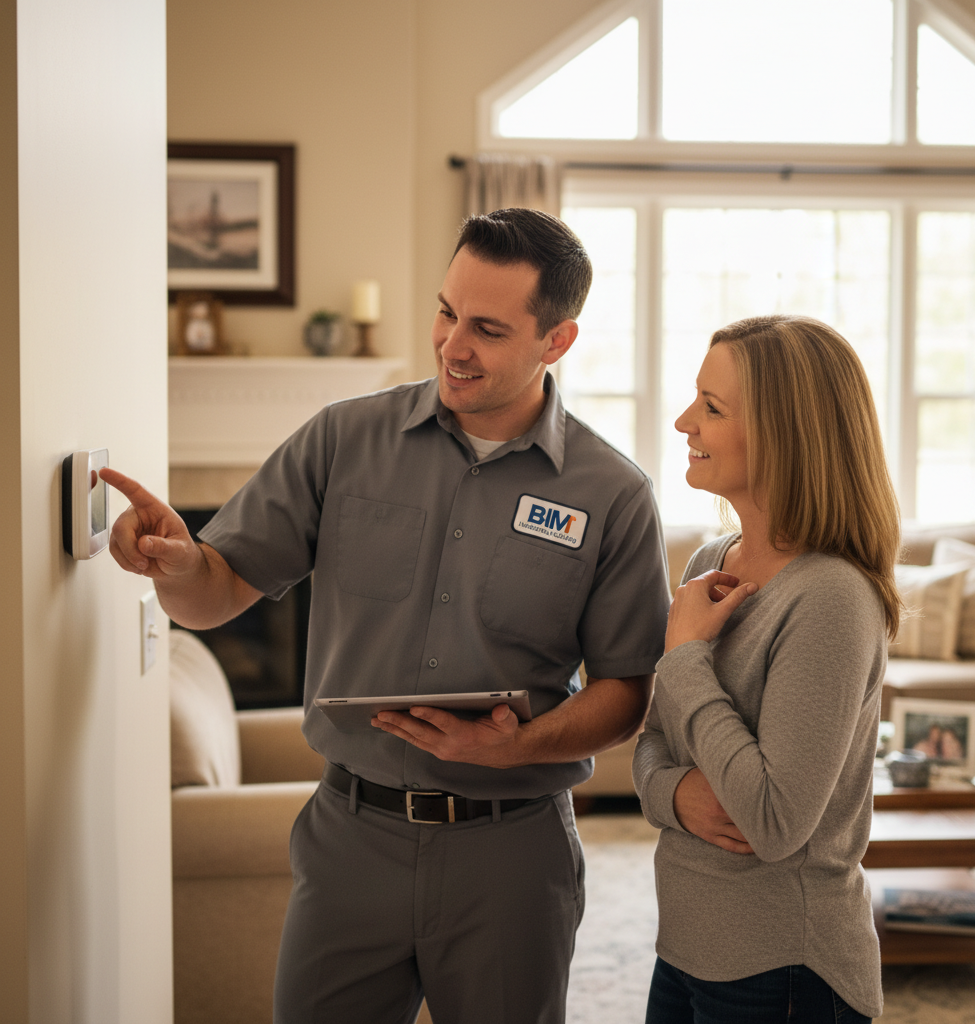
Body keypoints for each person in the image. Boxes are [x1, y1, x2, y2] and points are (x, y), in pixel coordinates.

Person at [102, 208, 670, 1024]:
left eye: (486, 327)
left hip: (512, 855)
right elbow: (220, 590)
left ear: (558, 341)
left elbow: (626, 690)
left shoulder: (612, 494)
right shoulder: (342, 439)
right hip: (350, 840)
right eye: (445, 311)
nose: (451, 344)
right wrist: (181, 562)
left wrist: (518, 748)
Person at [632, 314, 902, 1023]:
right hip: (686, 943)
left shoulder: (832, 598)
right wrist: (675, 796)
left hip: (784, 965)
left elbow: (775, 822)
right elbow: (652, 743)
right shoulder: (706, 565)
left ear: (785, 435)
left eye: (712, 408)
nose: (685, 420)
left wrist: (687, 656)